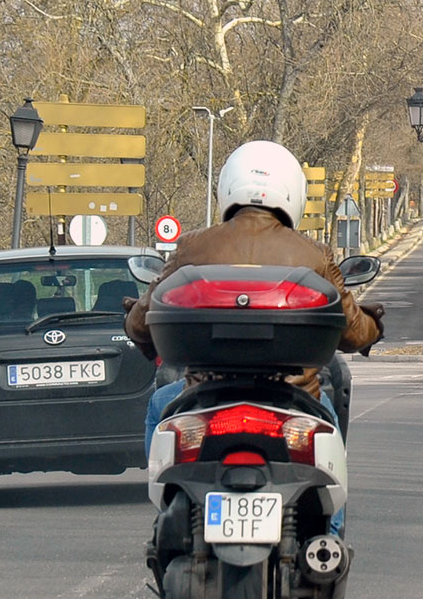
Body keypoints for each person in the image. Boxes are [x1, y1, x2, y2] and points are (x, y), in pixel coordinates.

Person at [124, 140, 384, 462]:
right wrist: (373, 324)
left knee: (159, 405)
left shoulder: (191, 247)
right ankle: (331, 516)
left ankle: (163, 495)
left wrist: (135, 318)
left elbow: (140, 323)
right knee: (326, 444)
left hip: (204, 394)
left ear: (227, 187)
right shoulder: (313, 254)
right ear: (293, 191)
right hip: (294, 396)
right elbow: (354, 332)